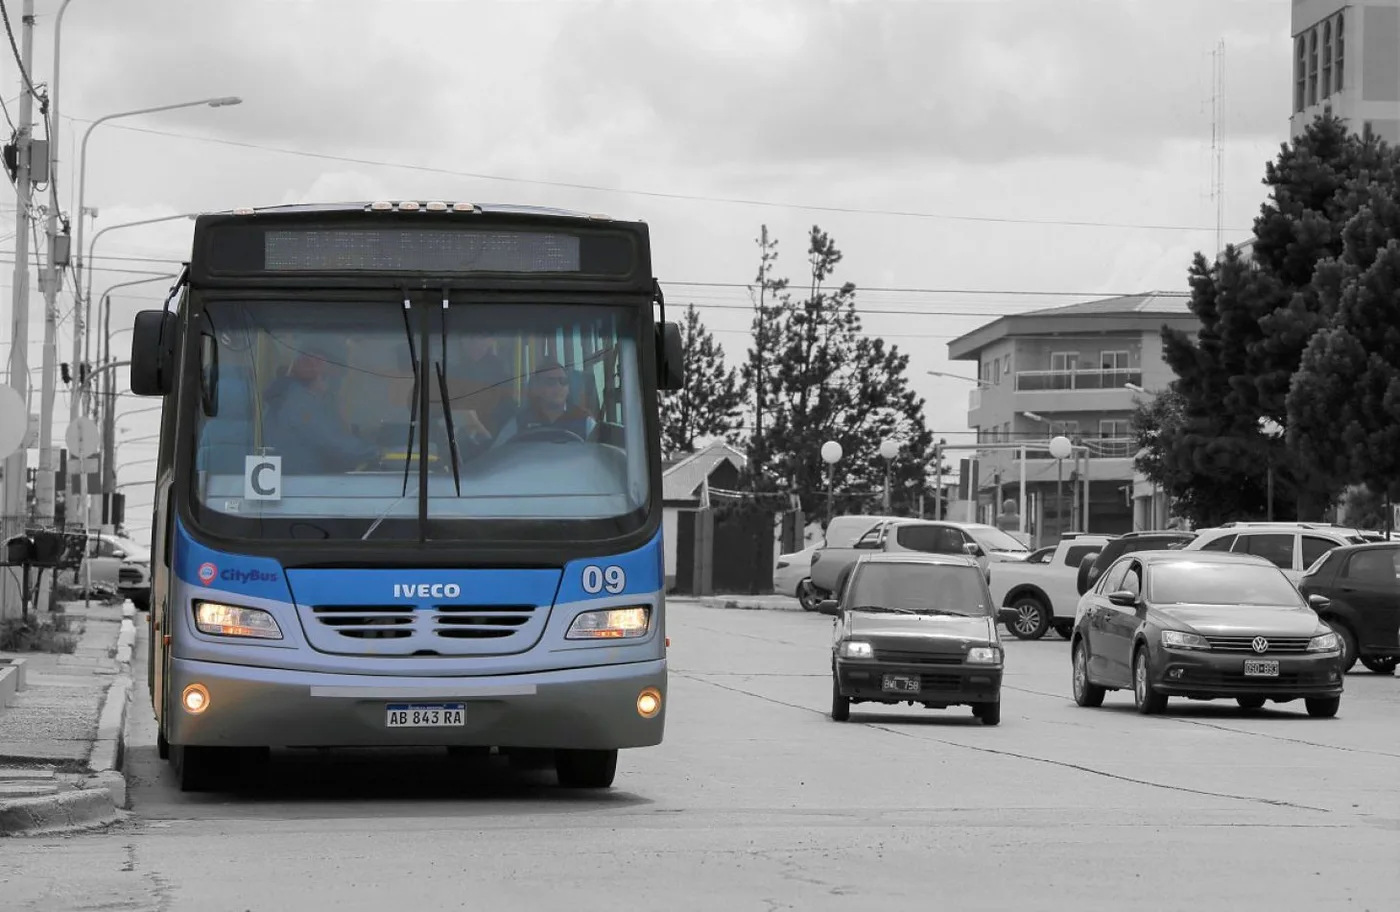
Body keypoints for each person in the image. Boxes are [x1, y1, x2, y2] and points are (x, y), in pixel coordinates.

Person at [262, 348, 380, 474]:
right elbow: (333, 440)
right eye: (333, 380)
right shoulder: (301, 403)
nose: (335, 387)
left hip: (293, 479)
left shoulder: (286, 397)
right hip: (303, 481)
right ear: (320, 379)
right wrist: (374, 452)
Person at [493, 357, 597, 446]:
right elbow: (497, 457)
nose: (558, 387)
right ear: (536, 387)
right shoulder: (518, 423)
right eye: (550, 382)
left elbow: (601, 459)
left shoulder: (585, 422)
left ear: (569, 389)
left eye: (563, 381)